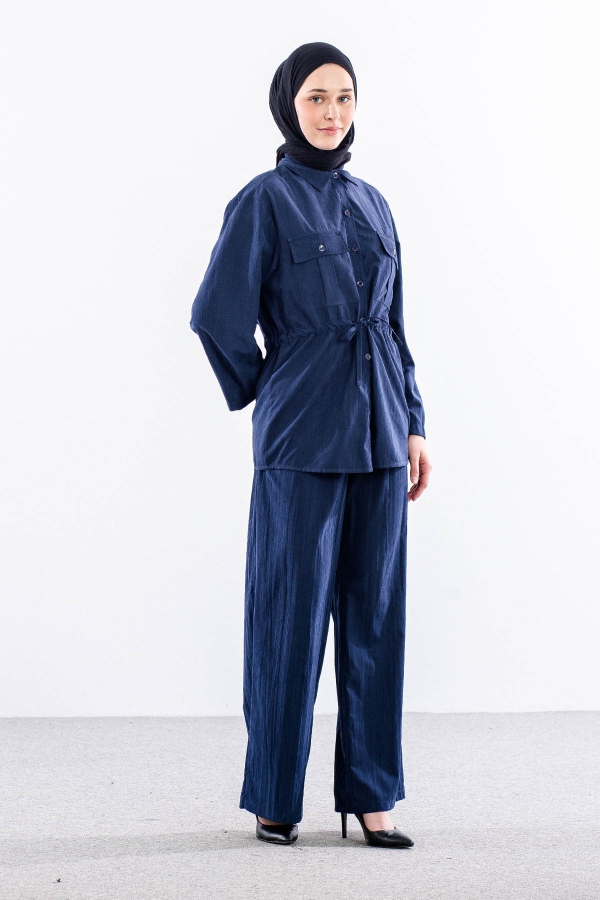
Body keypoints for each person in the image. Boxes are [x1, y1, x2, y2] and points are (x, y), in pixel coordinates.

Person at [190, 41, 432, 848]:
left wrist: (415, 422)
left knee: (377, 620)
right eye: (316, 98)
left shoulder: (374, 204)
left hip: (382, 438)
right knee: (288, 617)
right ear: (288, 106)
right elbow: (215, 315)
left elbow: (394, 326)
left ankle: (372, 795)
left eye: (344, 97)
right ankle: (275, 795)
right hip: (301, 440)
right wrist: (273, 385)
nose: (332, 112)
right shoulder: (264, 201)